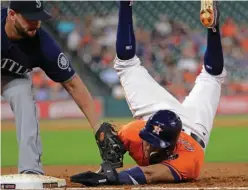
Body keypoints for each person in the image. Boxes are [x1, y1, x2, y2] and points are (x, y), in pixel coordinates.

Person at [70, 0, 226, 186]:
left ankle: (213, 29)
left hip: (194, 129)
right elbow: (113, 142)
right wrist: (107, 160)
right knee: (126, 63)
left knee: (212, 78)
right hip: (158, 116)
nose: (149, 145)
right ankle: (125, 3)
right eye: (148, 139)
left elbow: (151, 174)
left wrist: (111, 178)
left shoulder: (189, 161)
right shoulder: (134, 132)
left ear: (170, 148)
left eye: (155, 143)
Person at [1, 1, 101, 175]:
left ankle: (31, 170)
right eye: (30, 18)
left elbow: (73, 84)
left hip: (11, 78)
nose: (35, 23)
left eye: (38, 18)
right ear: (11, 15)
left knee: (24, 98)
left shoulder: (43, 45)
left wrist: (97, 126)